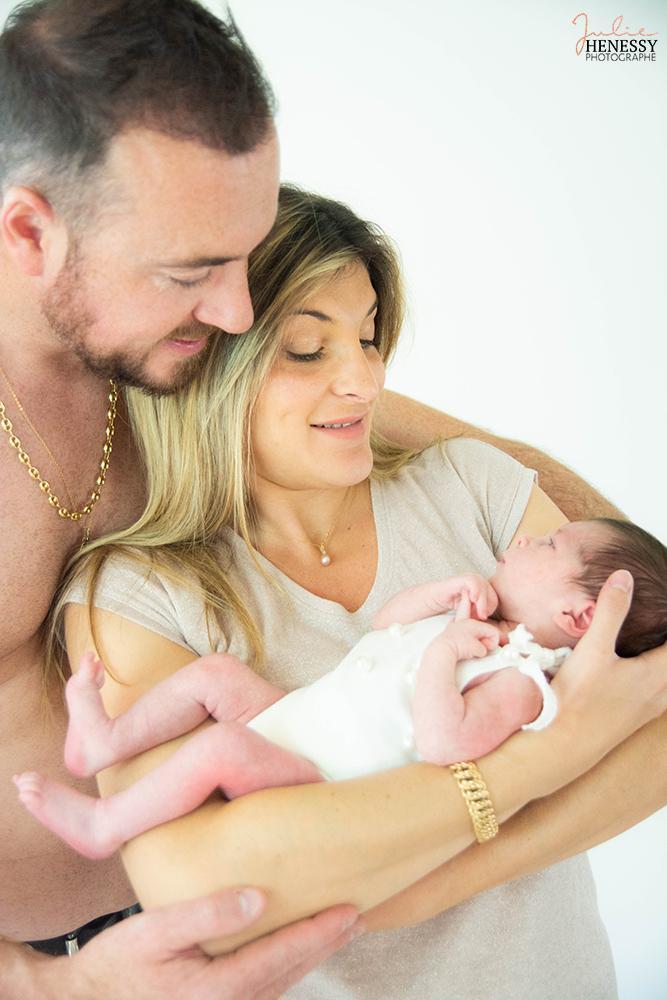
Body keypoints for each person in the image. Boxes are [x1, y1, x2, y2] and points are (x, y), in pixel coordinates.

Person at [0, 2, 662, 996]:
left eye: (247, 257)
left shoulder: (175, 349)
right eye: (195, 271)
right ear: (29, 231)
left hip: (268, 885)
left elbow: (501, 469)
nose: (234, 310)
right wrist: (55, 986)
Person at [15, 517, 667, 862]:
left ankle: (106, 824)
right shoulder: (479, 623)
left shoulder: (521, 682)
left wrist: (444, 653)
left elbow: (446, 746)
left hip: (324, 775)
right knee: (217, 676)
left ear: (580, 616)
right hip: (298, 716)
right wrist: (438, 601)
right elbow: (382, 630)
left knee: (224, 749)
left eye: (549, 545)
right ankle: (103, 741)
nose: (527, 538)